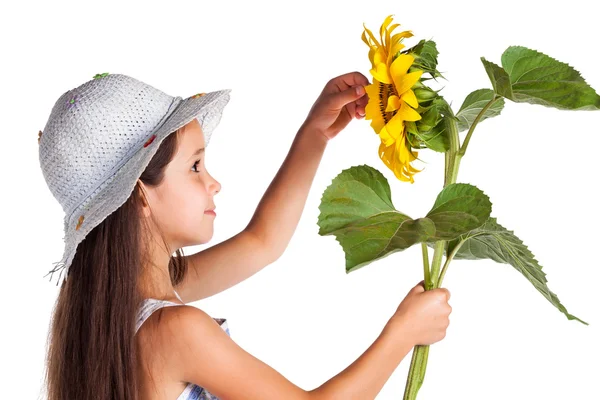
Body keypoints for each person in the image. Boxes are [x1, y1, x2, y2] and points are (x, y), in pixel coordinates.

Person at [39, 71, 452, 400]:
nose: (214, 183)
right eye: (196, 167)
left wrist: (317, 133)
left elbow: (262, 242)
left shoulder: (111, 308)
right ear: (140, 194)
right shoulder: (175, 330)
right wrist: (403, 333)